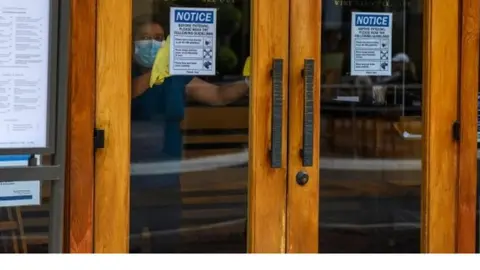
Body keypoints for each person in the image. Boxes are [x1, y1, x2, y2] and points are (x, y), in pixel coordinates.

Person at [129, 14, 249, 252]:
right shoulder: (121, 73)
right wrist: (152, 74)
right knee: (127, 247)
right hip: (128, 180)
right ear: (132, 43)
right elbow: (122, 97)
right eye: (145, 38)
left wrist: (248, 81)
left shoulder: (176, 75)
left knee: (167, 247)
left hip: (168, 180)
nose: (153, 44)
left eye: (158, 38)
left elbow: (217, 96)